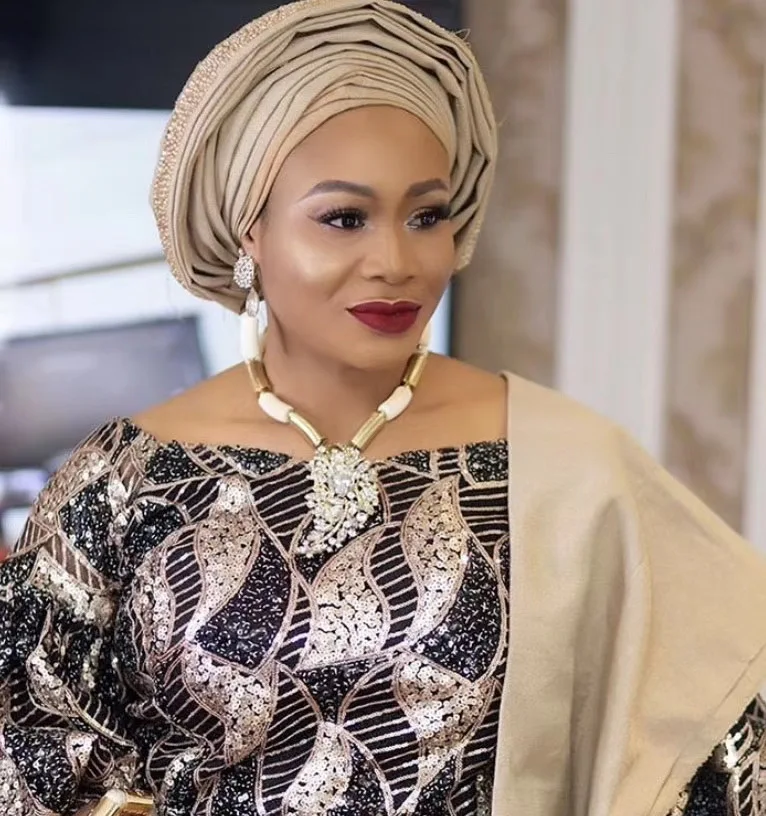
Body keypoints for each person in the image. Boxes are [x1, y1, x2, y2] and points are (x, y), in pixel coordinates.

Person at [2, 1, 766, 814]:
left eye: (427, 216)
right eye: (344, 218)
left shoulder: (568, 465)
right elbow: (24, 756)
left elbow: (719, 713)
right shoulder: (124, 480)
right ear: (249, 229)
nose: (396, 261)